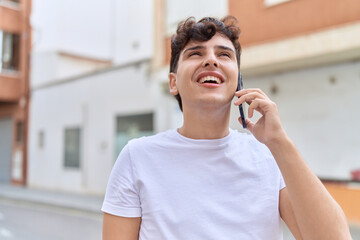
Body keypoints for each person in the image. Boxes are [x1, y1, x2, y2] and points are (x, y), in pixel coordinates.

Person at [102, 16, 351, 240]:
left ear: (238, 80)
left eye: (224, 54)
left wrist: (279, 142)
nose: (211, 60)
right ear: (173, 82)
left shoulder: (267, 156)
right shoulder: (137, 157)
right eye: (195, 53)